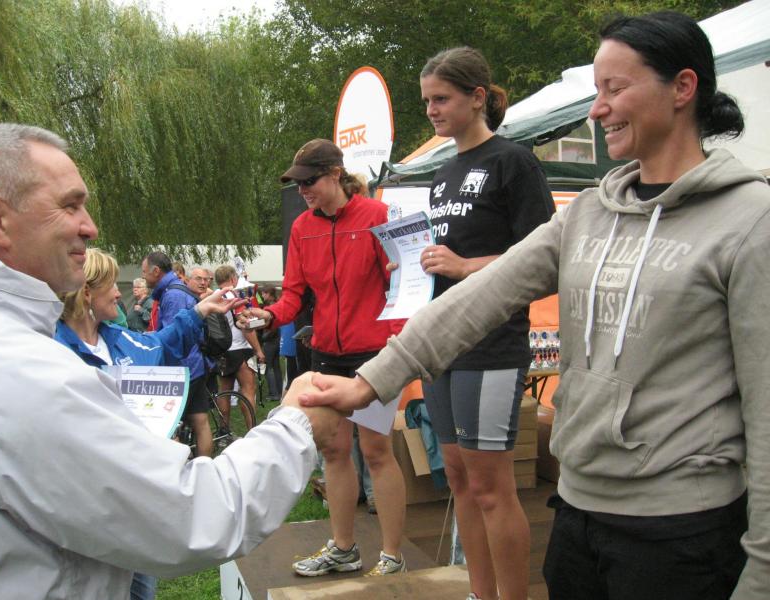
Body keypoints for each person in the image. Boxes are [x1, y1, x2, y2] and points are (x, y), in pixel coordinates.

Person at [300, 11, 770, 600]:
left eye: (614, 89)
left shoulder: (749, 221)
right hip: (577, 512)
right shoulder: (589, 214)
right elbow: (481, 298)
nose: (597, 109)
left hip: (682, 529)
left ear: (682, 87)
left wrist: (762, 573)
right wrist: (371, 382)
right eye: (595, 90)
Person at [0, 122, 341, 599]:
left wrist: (204, 315)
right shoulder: (24, 373)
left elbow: (154, 345)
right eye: (69, 205)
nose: (90, 226)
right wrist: (295, 424)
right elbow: (195, 518)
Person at [404, 46, 555, 600]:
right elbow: (444, 259)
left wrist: (465, 265)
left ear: (477, 97)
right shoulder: (443, 174)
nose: (432, 111)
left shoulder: (514, 162)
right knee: (459, 480)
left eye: (441, 99)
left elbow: (546, 261)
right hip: (442, 346)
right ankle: (480, 591)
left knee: (492, 488)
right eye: (426, 101)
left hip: (492, 345)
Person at [239, 139, 408, 577]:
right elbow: (294, 295)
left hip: (374, 354)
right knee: (333, 451)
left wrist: (397, 341)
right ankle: (345, 549)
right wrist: (268, 315)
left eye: (309, 182)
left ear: (335, 174)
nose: (302, 192)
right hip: (327, 352)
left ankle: (392, 555)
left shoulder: (376, 216)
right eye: (298, 184)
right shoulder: (302, 228)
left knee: (376, 451)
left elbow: (401, 286)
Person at [54, 248, 238, 600]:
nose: (118, 293)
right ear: (87, 293)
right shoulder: (54, 350)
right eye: (111, 284)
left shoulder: (116, 337)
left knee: (140, 588)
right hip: (88, 507)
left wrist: (200, 311)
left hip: (135, 503)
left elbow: (159, 345)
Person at [142, 251, 214, 456]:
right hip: (196, 365)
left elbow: (175, 337)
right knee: (200, 421)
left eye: (144, 272)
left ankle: (178, 470)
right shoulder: (178, 289)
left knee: (170, 425)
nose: (143, 276)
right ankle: (204, 467)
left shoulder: (172, 295)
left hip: (183, 369)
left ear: (156, 271)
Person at [214, 264, 264, 430]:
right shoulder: (235, 295)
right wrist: (258, 350)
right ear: (233, 278)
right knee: (248, 390)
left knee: (224, 392)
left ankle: (223, 431)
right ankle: (252, 430)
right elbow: (245, 326)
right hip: (241, 348)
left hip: (222, 350)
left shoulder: (215, 296)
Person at [260, 285, 283, 401]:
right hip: (277, 340)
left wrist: (262, 337)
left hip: (270, 340)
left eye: (264, 293)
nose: (262, 295)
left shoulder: (269, 308)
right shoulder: (278, 304)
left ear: (269, 294)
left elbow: (268, 325)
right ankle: (280, 392)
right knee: (276, 367)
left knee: (268, 367)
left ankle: (273, 393)